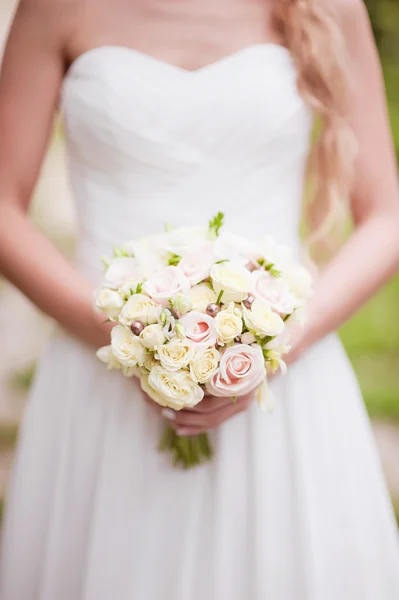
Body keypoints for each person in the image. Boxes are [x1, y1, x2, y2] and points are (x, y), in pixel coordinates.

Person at [1, 0, 399, 598]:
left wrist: (271, 342)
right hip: (99, 376)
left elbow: (388, 218)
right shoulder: (56, 8)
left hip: (283, 380)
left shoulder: (327, 7)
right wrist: (130, 340)